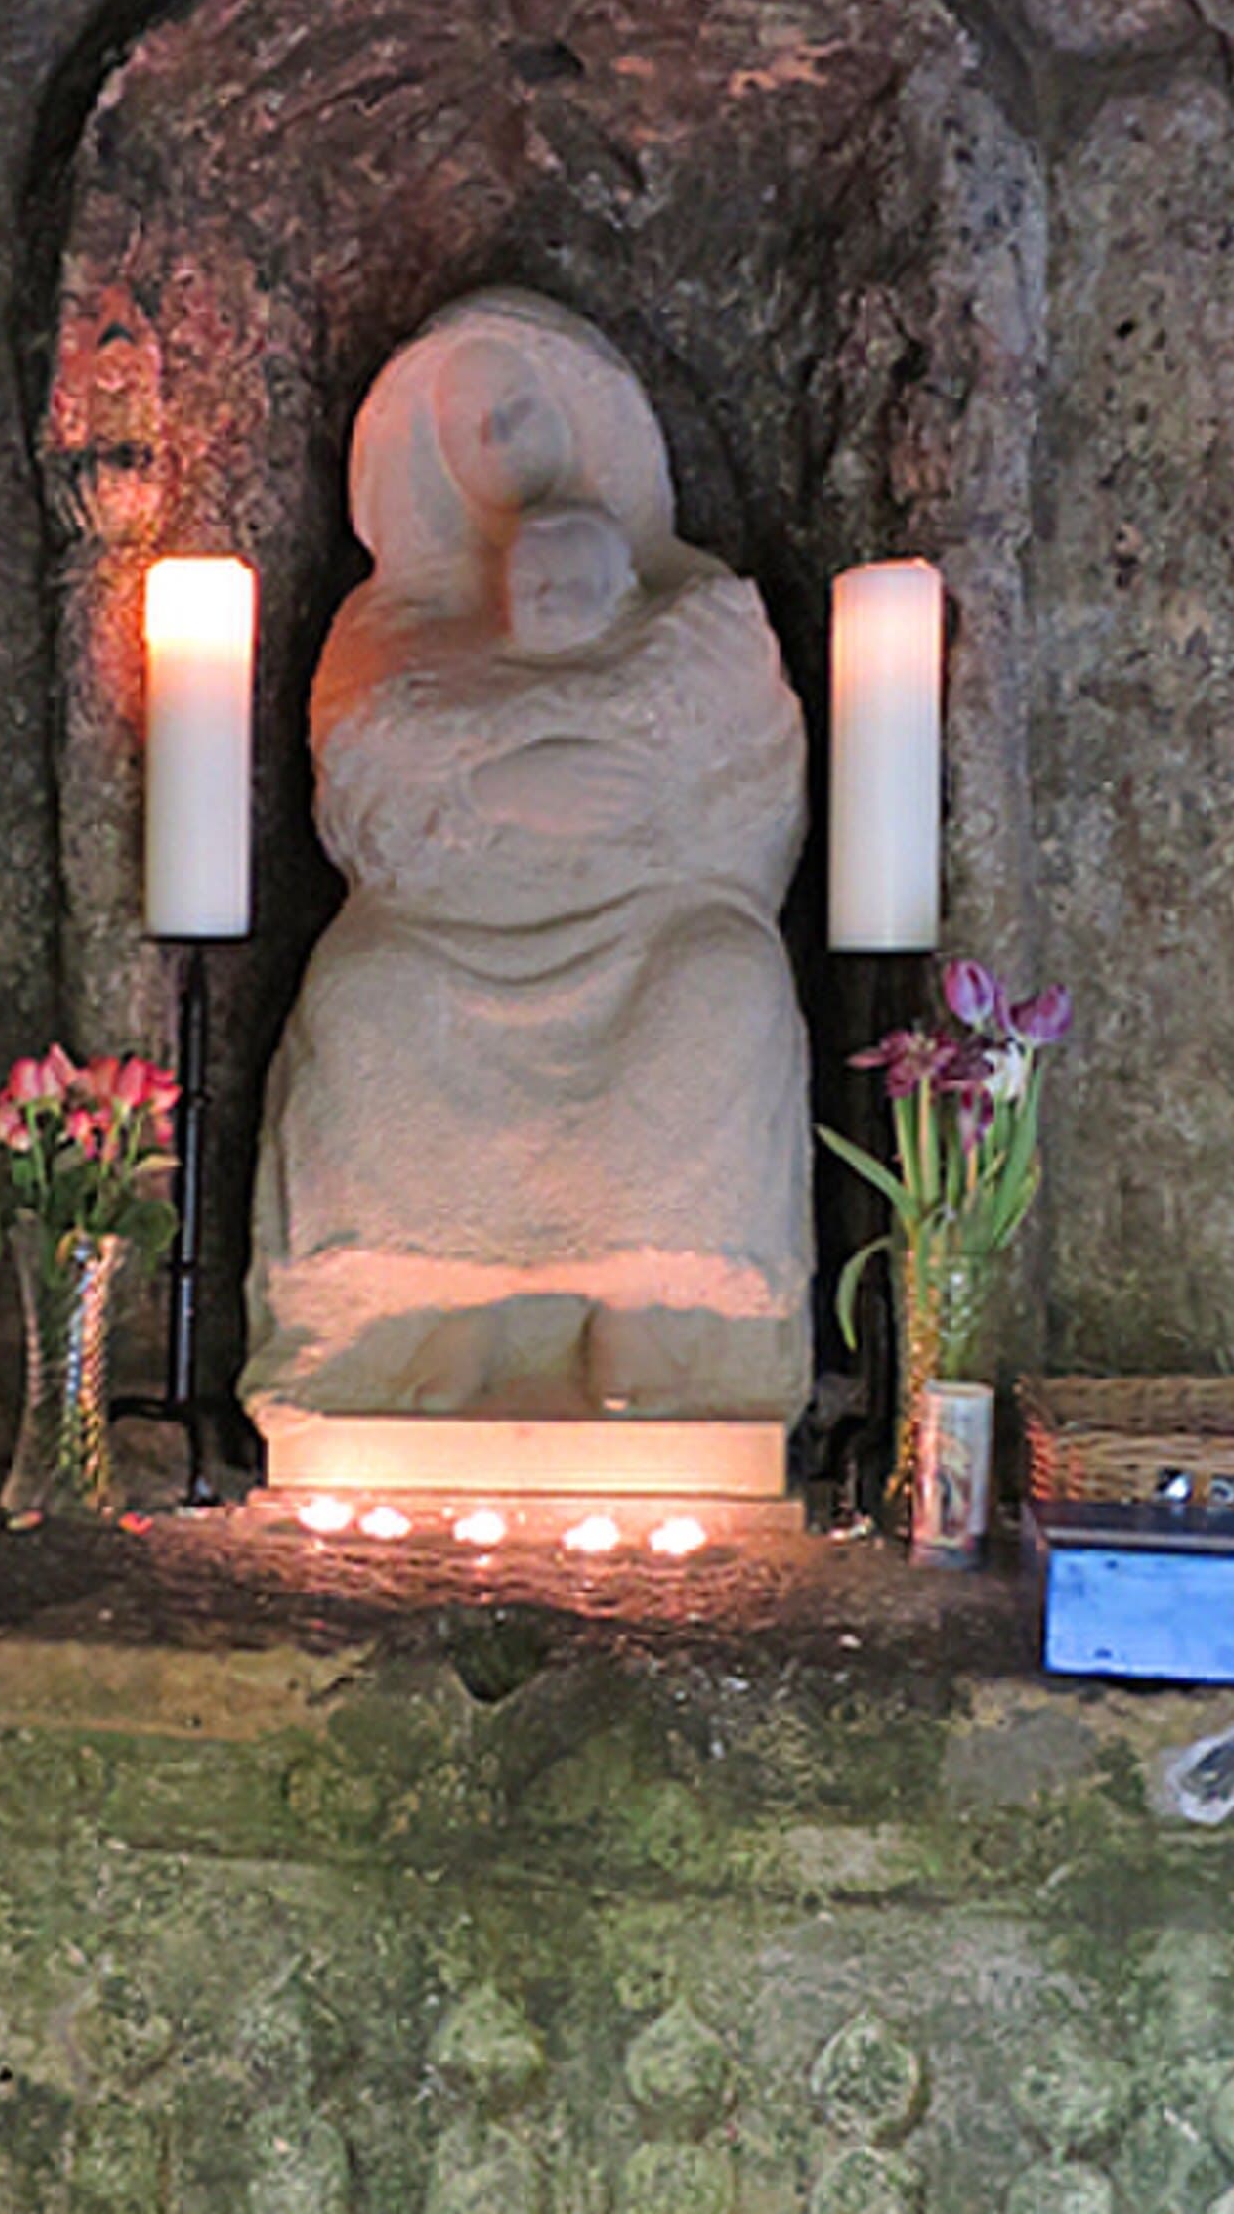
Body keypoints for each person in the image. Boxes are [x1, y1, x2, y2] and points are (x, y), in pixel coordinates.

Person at [243, 291, 813, 1429]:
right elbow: (359, 790)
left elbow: (751, 773)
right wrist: (497, 790)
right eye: (472, 430)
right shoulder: (385, 629)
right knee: (361, 1001)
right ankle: (431, 1303)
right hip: (444, 934)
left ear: (581, 408)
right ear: (432, 461)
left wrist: (624, 806)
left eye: (518, 407)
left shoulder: (695, 611)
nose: (503, 441)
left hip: (647, 919)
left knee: (725, 992)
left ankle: (650, 1309)